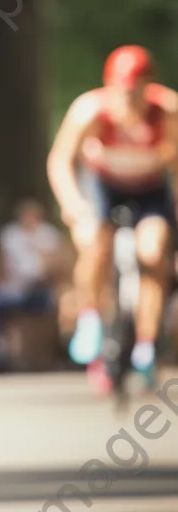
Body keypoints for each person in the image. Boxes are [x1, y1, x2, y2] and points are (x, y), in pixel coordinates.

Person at [47, 45, 178, 389]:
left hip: (149, 189)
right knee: (93, 242)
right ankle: (90, 317)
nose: (127, 102)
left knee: (152, 251)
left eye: (135, 93)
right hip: (103, 186)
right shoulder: (90, 111)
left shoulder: (167, 112)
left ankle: (147, 344)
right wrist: (72, 203)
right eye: (121, 92)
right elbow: (60, 160)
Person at [0, 199, 69, 370]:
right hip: (13, 290)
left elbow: (59, 265)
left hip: (41, 289)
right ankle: (6, 354)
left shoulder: (49, 235)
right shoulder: (8, 235)